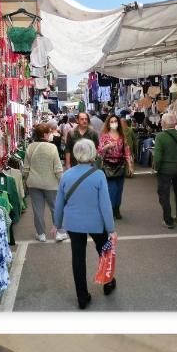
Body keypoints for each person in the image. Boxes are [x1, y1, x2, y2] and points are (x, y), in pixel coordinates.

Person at [53, 138, 117, 309]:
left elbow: (59, 203)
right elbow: (105, 205)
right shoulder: (98, 175)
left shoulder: (66, 176)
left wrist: (56, 224)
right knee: (104, 252)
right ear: (92, 154)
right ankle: (108, 283)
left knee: (78, 258)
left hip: (73, 224)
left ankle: (82, 297)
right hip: (96, 224)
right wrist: (111, 229)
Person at [23, 123, 68, 242]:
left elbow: (26, 168)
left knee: (38, 210)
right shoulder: (52, 147)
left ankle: (41, 234)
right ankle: (60, 232)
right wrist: (62, 182)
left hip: (34, 183)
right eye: (49, 132)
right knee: (55, 208)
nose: (51, 135)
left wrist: (26, 180)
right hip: (51, 184)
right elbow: (58, 168)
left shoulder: (30, 147)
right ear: (44, 134)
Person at [152, 111, 177, 228]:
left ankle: (168, 220)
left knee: (164, 194)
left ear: (163, 123)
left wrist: (155, 168)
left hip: (165, 171)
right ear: (174, 123)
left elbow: (157, 157)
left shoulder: (160, 137)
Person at [97, 112, 134, 220]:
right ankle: (110, 210)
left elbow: (126, 151)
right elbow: (99, 151)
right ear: (108, 123)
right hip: (108, 166)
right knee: (111, 189)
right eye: (112, 121)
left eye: (115, 121)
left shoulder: (122, 136)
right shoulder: (104, 136)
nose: (114, 123)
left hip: (120, 165)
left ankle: (117, 209)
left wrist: (130, 166)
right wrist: (107, 146)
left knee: (119, 190)